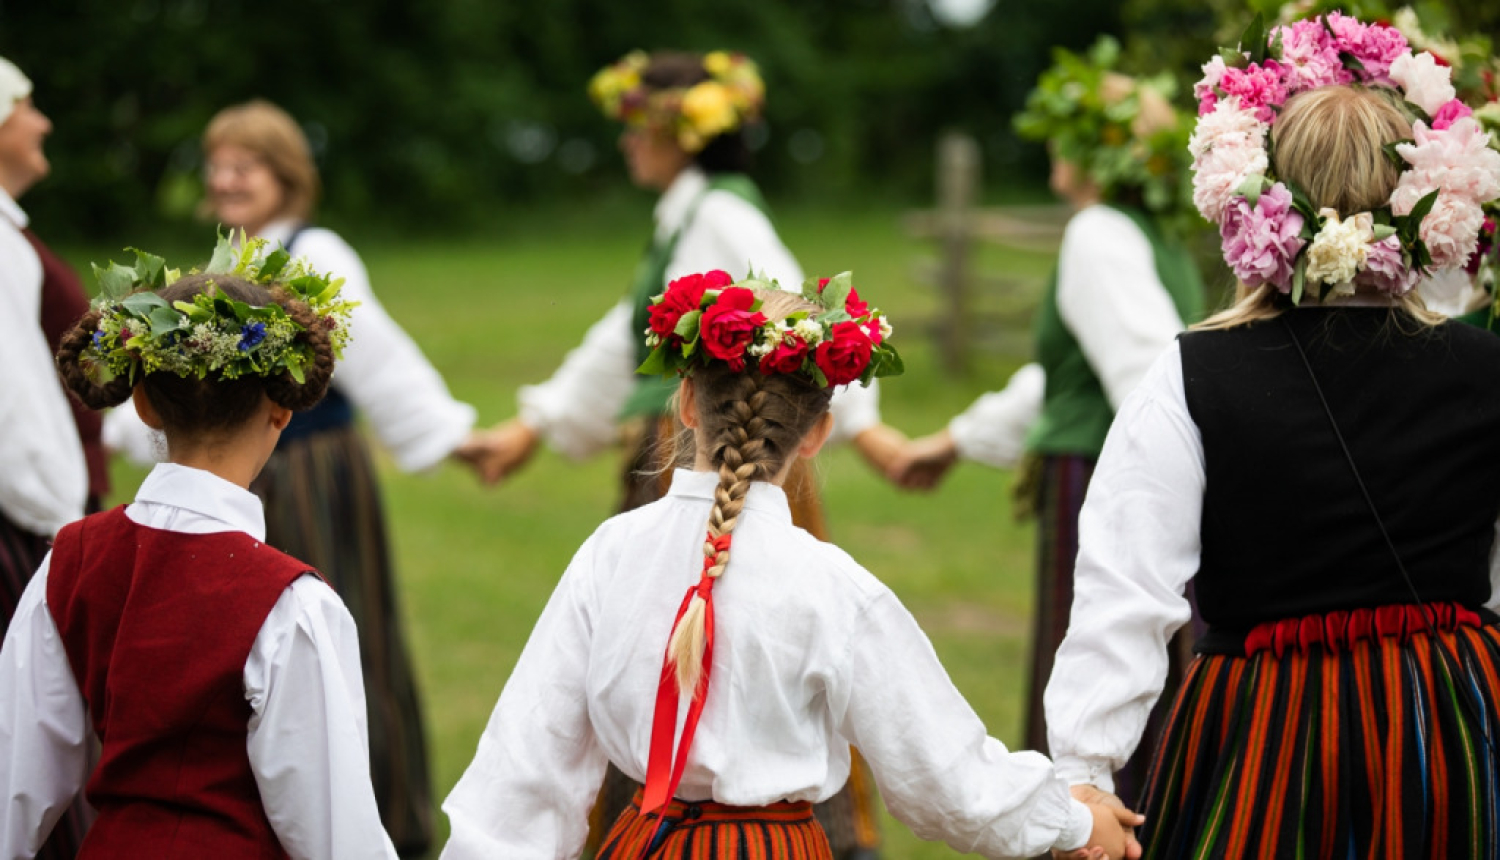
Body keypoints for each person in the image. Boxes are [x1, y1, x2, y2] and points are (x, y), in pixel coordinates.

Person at [441, 274, 1138, 860]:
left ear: (685, 403)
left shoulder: (607, 556)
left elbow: (526, 772)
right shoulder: (835, 589)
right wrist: (1074, 821)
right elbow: (945, 778)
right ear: (816, 435)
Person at [1044, 14, 1500, 856]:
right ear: (1421, 199)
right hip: (1446, 718)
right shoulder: (1485, 368)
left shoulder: (1192, 373)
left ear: (1261, 195)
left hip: (1269, 730)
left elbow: (1125, 586)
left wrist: (1085, 771)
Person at [468, 51, 895, 856]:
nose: (628, 143)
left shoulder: (724, 214)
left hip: (719, 451)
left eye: (639, 126)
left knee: (706, 629)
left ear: (684, 134)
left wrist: (862, 425)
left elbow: (800, 311)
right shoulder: (683, 213)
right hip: (684, 439)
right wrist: (537, 422)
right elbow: (619, 333)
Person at [104, 99, 488, 855]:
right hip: (223, 466)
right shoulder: (217, 267)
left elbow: (378, 355)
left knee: (334, 635)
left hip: (307, 469)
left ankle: (373, 819)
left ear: (286, 175)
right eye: (218, 165)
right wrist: (120, 422)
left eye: (246, 165)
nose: (228, 179)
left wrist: (450, 436)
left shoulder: (318, 254)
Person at [0, 237, 400, 858]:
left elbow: (15, 785)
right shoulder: (291, 604)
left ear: (142, 404)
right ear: (282, 408)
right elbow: (333, 831)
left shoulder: (69, 560)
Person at [888, 38, 1204, 806]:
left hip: (1109, 479)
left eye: (1071, 131)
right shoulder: (1159, 243)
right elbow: (1066, 378)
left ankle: (1098, 824)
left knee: (1099, 671)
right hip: (1121, 469)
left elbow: (1144, 373)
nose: (1054, 147)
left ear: (1099, 152)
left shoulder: (1099, 235)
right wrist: (959, 439)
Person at [0, 55, 99, 860]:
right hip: (19, 529)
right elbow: (14, 410)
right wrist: (62, 528)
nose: (43, 122)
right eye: (28, 104)